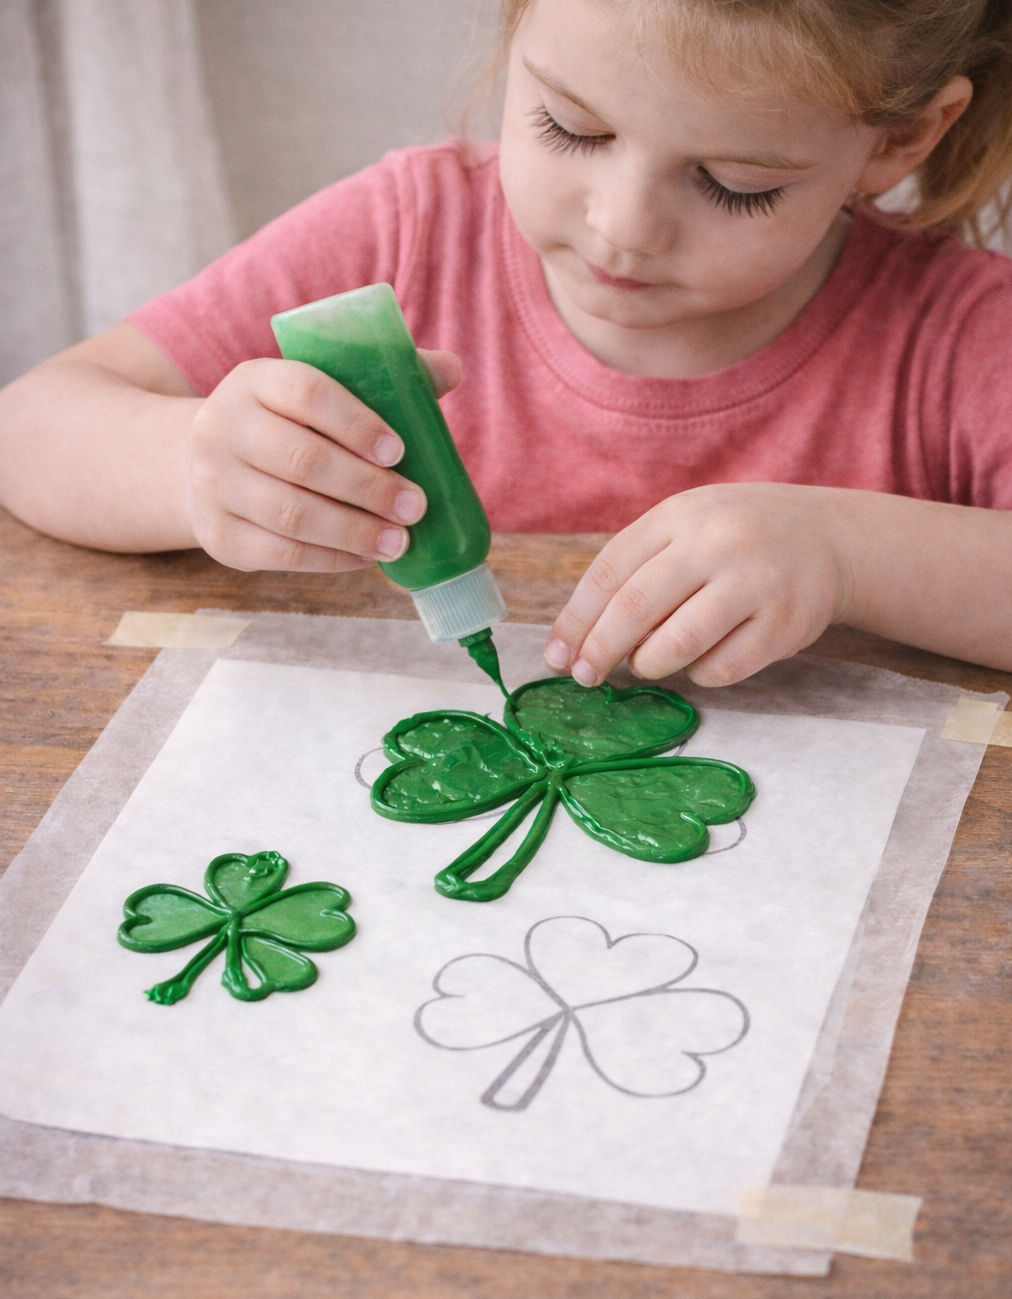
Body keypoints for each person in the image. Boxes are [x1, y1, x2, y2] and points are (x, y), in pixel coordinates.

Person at [1, 0, 1010, 688]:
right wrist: (194, 467)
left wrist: (844, 554)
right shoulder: (406, 233)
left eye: (734, 183)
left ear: (898, 141)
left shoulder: (956, 334)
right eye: (572, 128)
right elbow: (32, 427)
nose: (622, 227)